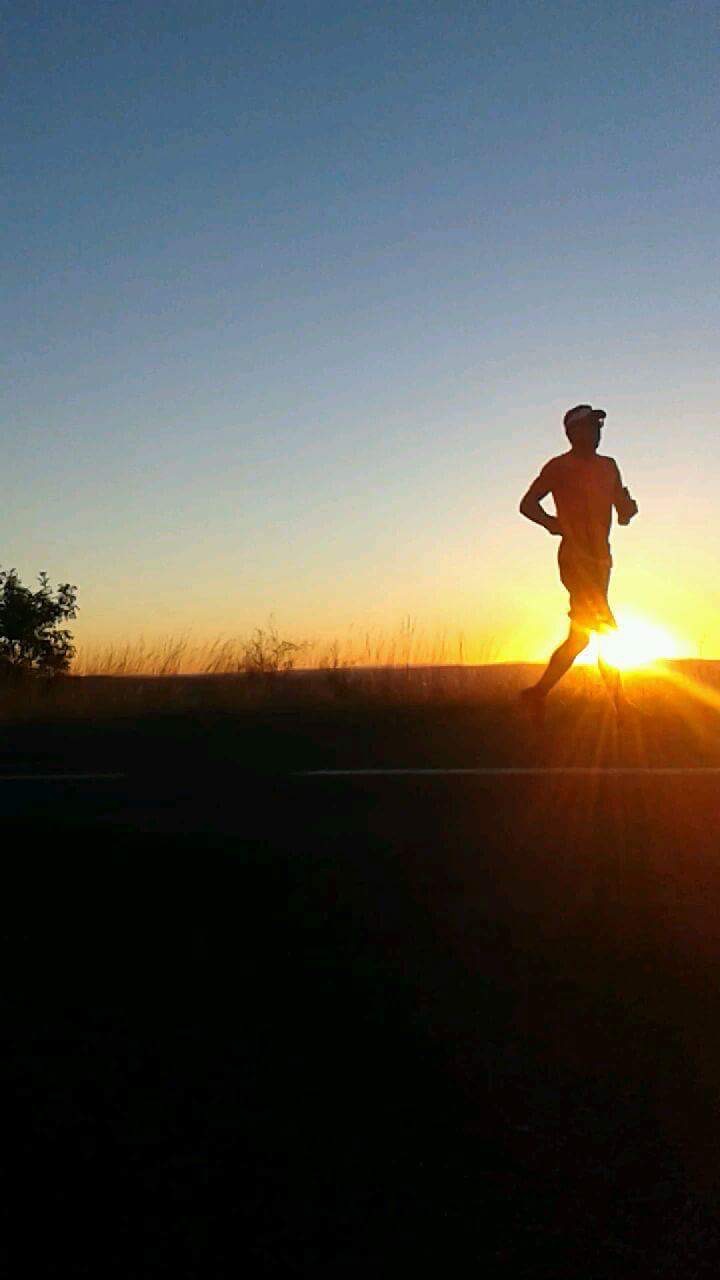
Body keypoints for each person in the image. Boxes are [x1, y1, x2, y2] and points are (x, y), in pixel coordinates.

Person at [518, 403, 638, 725]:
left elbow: (620, 508)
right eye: (590, 427)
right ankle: (621, 707)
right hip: (575, 560)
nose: (597, 432)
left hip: (601, 561)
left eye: (599, 427)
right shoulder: (559, 468)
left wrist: (626, 510)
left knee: (582, 637)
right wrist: (551, 523)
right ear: (573, 433)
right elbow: (527, 504)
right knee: (605, 630)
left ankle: (535, 695)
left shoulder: (609, 466)